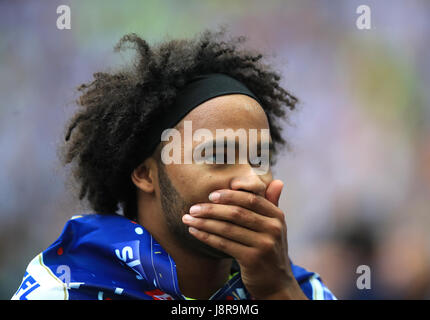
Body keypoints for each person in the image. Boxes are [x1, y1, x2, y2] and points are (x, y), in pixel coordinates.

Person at [12, 29, 336, 300]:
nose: (252, 180)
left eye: (259, 158)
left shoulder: (304, 290)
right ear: (145, 173)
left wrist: (278, 290)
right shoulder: (68, 289)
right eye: (218, 156)